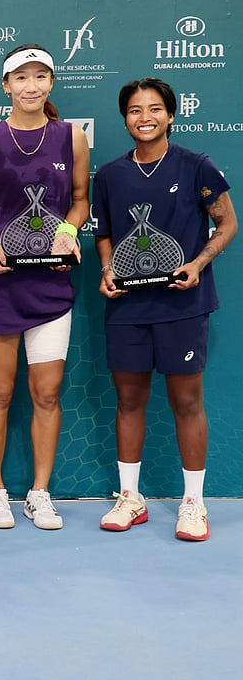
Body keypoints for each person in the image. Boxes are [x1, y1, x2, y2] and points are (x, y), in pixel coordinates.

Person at [93, 77, 236, 542]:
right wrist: (109, 270)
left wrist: (197, 263)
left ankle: (194, 503)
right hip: (128, 309)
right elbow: (105, 235)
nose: (145, 117)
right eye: (135, 110)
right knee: (129, 399)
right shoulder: (110, 175)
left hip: (183, 305)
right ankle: (129, 498)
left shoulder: (197, 166)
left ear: (171, 115)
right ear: (125, 118)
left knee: (186, 401)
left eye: (155, 109)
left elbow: (227, 222)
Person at [0, 45, 90, 530]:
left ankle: (40, 492)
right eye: (21, 77)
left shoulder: (71, 137)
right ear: (5, 86)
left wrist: (69, 230)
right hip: (0, 286)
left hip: (52, 288)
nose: (30, 86)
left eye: (40, 77)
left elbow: (80, 199)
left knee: (47, 393)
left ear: (51, 84)